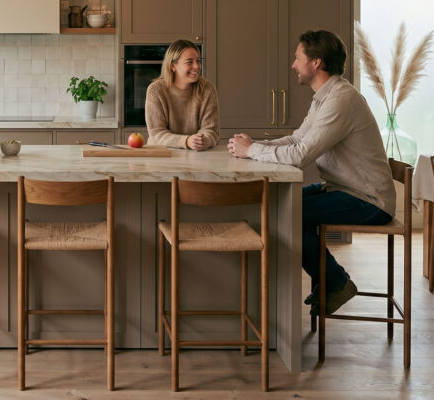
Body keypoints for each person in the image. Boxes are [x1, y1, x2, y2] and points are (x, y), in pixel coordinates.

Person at [226, 30, 395, 316]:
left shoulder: (341, 100)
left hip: (368, 200)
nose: (293, 64)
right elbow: (296, 139)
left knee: (287, 213)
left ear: (316, 63)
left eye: (298, 57)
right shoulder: (325, 97)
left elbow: (301, 156)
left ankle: (336, 283)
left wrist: (252, 150)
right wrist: (255, 145)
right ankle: (328, 285)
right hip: (341, 189)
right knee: (279, 205)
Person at [145, 39, 220, 150]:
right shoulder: (156, 90)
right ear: (173, 66)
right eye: (189, 62)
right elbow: (157, 134)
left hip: (197, 155)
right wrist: (186, 141)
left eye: (198, 61)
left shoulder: (208, 89)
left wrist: (204, 140)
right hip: (161, 154)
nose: (196, 66)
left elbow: (211, 130)